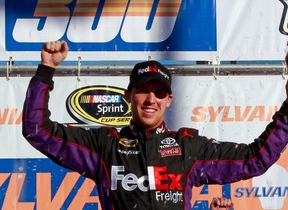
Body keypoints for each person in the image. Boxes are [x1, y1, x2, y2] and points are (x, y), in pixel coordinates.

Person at [22, 40, 288, 210]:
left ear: (169, 100)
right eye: (143, 90)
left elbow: (256, 158)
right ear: (128, 95)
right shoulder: (104, 145)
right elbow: (38, 130)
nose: (151, 99)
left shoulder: (188, 147)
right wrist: (46, 69)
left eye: (159, 92)